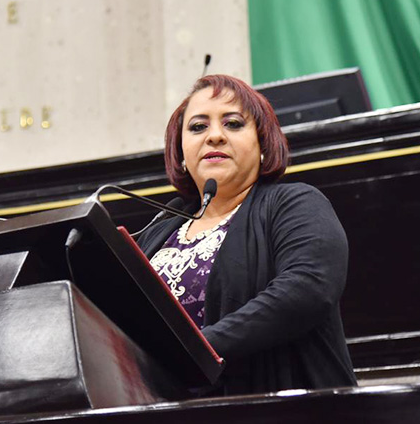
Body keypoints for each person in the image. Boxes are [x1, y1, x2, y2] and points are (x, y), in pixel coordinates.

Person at [137, 74, 356, 395]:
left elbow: (308, 289)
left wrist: (198, 349)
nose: (214, 136)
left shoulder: (295, 203)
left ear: (263, 144)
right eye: (198, 127)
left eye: (233, 124)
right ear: (181, 152)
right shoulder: (162, 226)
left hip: (276, 407)